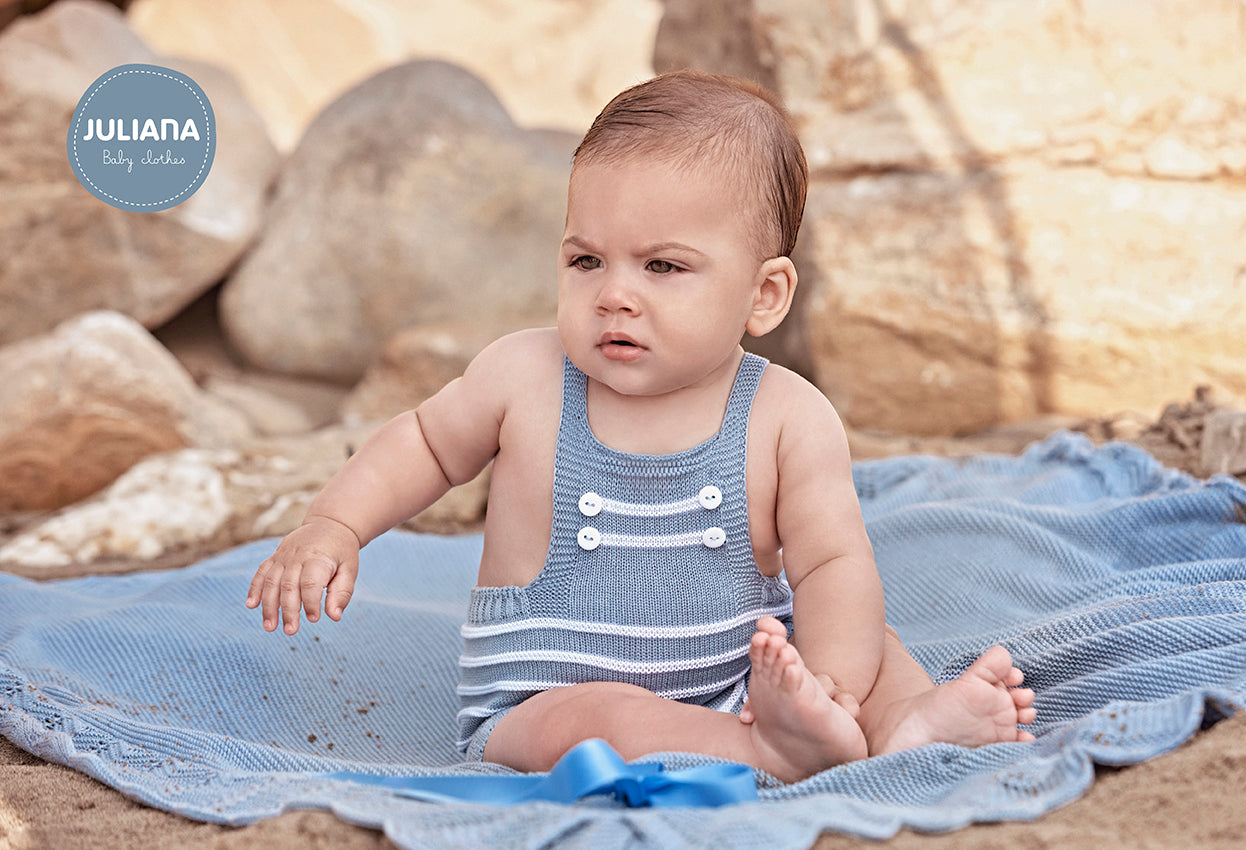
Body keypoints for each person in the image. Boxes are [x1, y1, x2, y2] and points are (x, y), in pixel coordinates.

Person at [245, 71, 1035, 784]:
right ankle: (769, 752)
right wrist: (336, 524)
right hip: (549, 697)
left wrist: (830, 682)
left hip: (742, 679)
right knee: (603, 720)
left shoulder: (787, 415)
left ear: (763, 295)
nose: (614, 295)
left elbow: (832, 562)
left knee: (865, 635)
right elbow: (422, 443)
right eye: (586, 261)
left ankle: (899, 723)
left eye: (662, 267)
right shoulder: (524, 377)